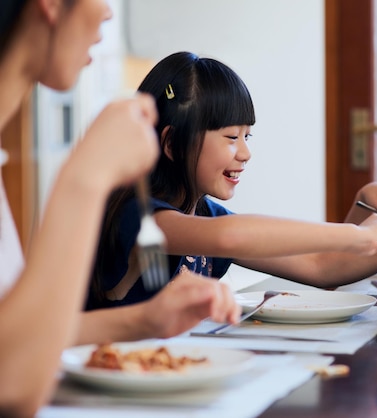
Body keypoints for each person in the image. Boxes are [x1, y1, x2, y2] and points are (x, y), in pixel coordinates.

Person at [0, 2, 240, 416]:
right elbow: (13, 380)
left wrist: (145, 321)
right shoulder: (136, 207)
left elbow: (16, 340)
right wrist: (86, 177)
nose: (110, 14)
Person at [88, 51, 377, 309]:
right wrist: (359, 234)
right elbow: (232, 237)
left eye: (247, 137)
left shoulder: (204, 215)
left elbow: (319, 265)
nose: (245, 152)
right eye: (231, 137)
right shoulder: (138, 217)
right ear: (172, 143)